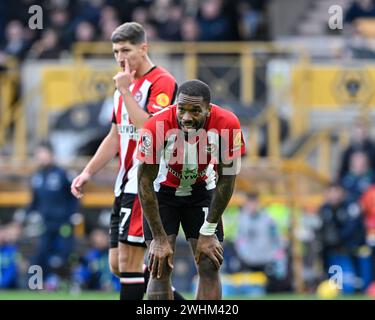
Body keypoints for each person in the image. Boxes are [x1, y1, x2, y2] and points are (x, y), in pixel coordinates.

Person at [70, 22, 183, 300]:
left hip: (146, 183)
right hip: (124, 184)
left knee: (129, 265)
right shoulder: (123, 86)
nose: (120, 58)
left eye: (125, 50)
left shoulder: (162, 82)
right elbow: (114, 136)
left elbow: (150, 128)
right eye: (115, 52)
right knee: (117, 265)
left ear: (143, 48)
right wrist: (87, 172)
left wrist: (126, 92)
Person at [137, 79, 246, 300]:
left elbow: (227, 179)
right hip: (162, 194)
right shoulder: (155, 126)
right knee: (159, 268)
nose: (186, 117)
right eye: (181, 109)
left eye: (195, 111)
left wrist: (209, 231)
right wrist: (158, 238)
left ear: (208, 109)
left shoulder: (228, 124)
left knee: (209, 263)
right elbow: (144, 183)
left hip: (201, 192)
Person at [27, 141, 78, 282]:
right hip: (45, 222)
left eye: (43, 153)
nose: (41, 157)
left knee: (64, 254)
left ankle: (67, 284)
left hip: (63, 222)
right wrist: (27, 215)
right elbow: (35, 200)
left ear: (51, 154)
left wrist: (74, 214)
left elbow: (74, 195)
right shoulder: (37, 176)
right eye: (38, 154)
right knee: (41, 253)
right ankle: (35, 284)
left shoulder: (63, 174)